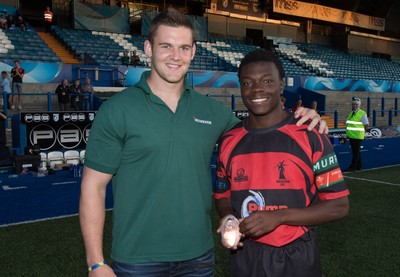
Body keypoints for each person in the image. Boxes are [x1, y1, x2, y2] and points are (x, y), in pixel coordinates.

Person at [79, 8, 327, 276]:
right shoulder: (117, 110)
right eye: (166, 46)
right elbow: (93, 187)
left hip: (198, 257)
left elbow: (261, 131)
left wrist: (301, 116)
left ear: (193, 52)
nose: (176, 56)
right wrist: (96, 262)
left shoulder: (212, 111)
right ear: (148, 49)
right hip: (137, 259)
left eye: (184, 48)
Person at [214, 49, 350, 277]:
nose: (257, 89)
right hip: (245, 255)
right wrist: (227, 217)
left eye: (267, 81)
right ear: (240, 87)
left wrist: (279, 217)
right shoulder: (229, 140)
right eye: (248, 83)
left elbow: (339, 206)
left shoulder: (310, 135)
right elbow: (222, 197)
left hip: (296, 255)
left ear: (281, 85)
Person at [345, 97, 369, 172]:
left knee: (355, 152)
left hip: (357, 136)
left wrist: (363, 132)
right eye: (353, 104)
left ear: (359, 105)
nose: (354, 105)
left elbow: (366, 124)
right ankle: (359, 166)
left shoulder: (362, 113)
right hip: (352, 135)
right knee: (356, 151)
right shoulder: (351, 113)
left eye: (356, 104)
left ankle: (353, 167)